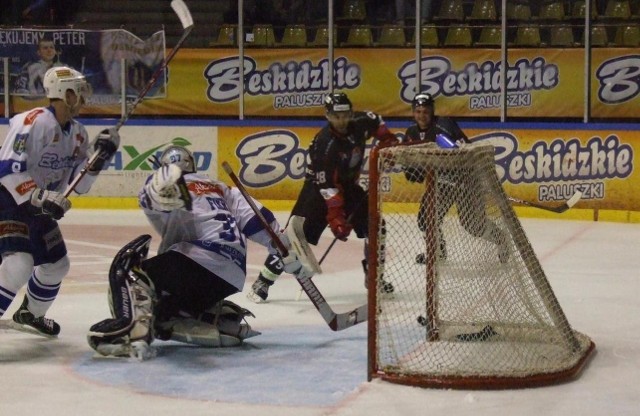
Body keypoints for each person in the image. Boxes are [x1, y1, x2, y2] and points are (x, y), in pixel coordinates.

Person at [87, 145, 307, 357]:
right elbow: (258, 219)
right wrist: (282, 249)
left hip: (196, 260)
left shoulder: (164, 182)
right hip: (231, 275)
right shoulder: (219, 187)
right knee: (162, 309)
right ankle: (205, 316)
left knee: (130, 273)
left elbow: (151, 196)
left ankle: (132, 332)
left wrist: (159, 190)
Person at [0, 66, 120, 337]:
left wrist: (99, 158)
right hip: (8, 200)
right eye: (79, 92)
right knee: (20, 264)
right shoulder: (33, 121)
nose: (83, 98)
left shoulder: (78, 133)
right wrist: (40, 195)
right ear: (64, 93)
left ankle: (29, 314)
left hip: (37, 208)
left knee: (57, 265)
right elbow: (7, 169)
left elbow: (81, 186)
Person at [248, 92, 397, 303]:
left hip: (348, 186)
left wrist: (388, 140)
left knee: (375, 227)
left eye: (345, 115)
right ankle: (264, 279)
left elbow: (377, 123)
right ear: (328, 116)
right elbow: (327, 186)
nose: (342, 120)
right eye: (337, 116)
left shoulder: (361, 122)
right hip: (317, 191)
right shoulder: (325, 144)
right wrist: (336, 218)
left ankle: (374, 277)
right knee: (294, 237)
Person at [402, 92, 508, 264]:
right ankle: (438, 251)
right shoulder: (411, 132)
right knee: (425, 220)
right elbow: (412, 163)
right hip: (441, 184)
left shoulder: (444, 125)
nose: (422, 116)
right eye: (418, 111)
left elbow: (465, 152)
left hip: (466, 180)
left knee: (473, 226)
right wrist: (413, 170)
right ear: (414, 112)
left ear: (432, 111)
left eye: (426, 111)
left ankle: (501, 239)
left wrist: (461, 174)